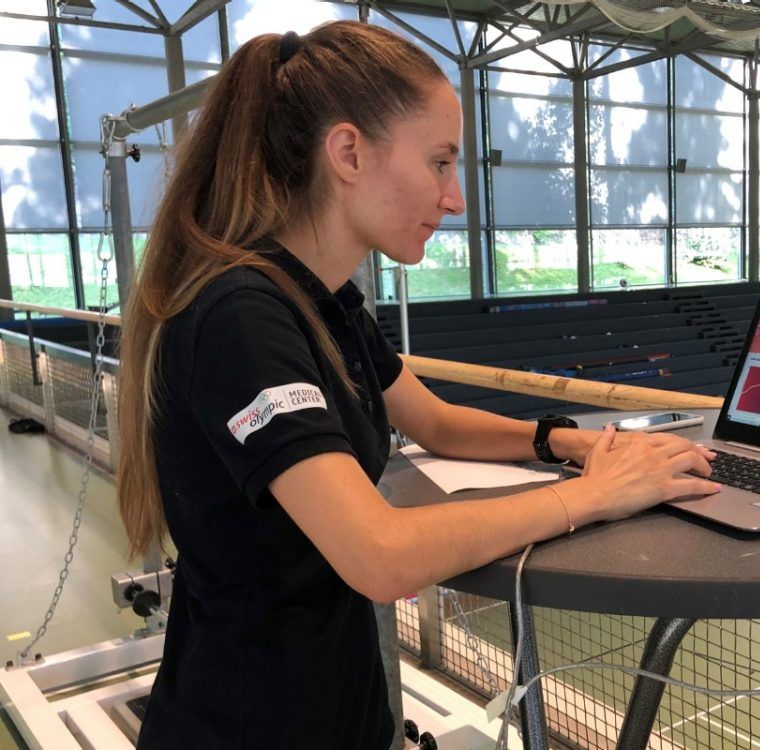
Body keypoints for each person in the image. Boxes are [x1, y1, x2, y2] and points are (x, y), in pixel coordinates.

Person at [115, 21, 720, 750]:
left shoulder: (324, 302)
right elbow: (381, 555)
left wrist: (570, 444)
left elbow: (435, 422)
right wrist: (593, 496)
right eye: (439, 162)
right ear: (348, 152)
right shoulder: (241, 315)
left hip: (339, 713)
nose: (455, 198)